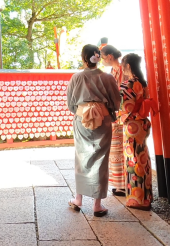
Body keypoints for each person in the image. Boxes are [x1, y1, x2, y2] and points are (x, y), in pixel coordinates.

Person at [66, 44, 120, 216]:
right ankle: (97, 205)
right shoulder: (108, 77)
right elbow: (116, 102)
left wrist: (83, 112)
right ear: (98, 57)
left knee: (82, 158)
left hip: (82, 120)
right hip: (102, 120)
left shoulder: (76, 78)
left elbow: (71, 104)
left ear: (84, 58)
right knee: (101, 159)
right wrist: (104, 111)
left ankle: (78, 199)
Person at [118, 53, 154, 209]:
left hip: (132, 124)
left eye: (123, 65)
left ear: (128, 66)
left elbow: (121, 105)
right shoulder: (143, 83)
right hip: (143, 124)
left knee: (133, 160)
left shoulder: (128, 84)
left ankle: (137, 199)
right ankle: (146, 198)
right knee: (143, 158)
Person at [100, 44, 126, 196]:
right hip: (115, 114)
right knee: (115, 150)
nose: (102, 61)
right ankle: (118, 183)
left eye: (103, 58)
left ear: (110, 56)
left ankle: (123, 184)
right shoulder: (114, 71)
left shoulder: (122, 70)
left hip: (121, 114)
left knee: (120, 150)